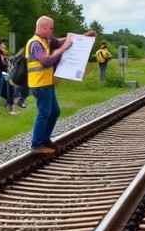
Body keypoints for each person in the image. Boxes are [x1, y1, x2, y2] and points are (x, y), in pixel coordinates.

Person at [25, 15, 95, 154]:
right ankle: (36, 145)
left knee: (55, 112)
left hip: (47, 83)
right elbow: (46, 60)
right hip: (39, 84)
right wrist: (64, 49)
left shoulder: (46, 41)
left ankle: (45, 140)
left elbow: (61, 41)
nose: (52, 30)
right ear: (42, 28)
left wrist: (84, 36)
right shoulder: (35, 43)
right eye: (51, 28)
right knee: (44, 113)